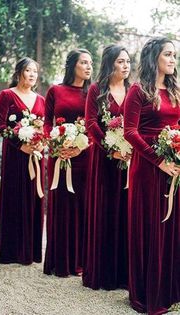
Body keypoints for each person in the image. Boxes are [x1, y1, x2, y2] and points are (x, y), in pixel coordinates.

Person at [124, 37, 180, 314]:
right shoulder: (138, 90)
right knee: (151, 225)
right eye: (168, 54)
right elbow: (129, 132)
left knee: (172, 227)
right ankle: (147, 293)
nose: (172, 59)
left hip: (174, 167)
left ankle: (170, 288)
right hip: (148, 168)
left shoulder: (174, 90)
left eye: (174, 55)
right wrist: (159, 160)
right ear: (154, 57)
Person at [82, 44, 131, 290]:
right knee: (105, 211)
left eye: (128, 61)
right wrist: (110, 148)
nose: (125, 66)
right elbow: (91, 123)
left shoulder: (134, 90)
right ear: (110, 63)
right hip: (104, 160)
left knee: (127, 212)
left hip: (131, 161)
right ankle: (102, 273)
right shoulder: (96, 90)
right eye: (121, 61)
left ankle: (124, 274)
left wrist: (129, 149)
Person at [43, 48, 93, 277]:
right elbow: (46, 123)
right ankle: (59, 261)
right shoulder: (55, 90)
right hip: (59, 156)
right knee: (61, 206)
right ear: (73, 65)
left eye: (90, 63)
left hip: (84, 158)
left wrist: (80, 146)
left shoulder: (93, 92)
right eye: (84, 62)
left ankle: (82, 262)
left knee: (83, 206)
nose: (88, 66)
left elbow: (95, 126)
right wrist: (55, 145)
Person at [0, 57, 45, 265]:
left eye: (35, 71)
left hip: (35, 155)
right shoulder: (7, 95)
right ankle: (11, 251)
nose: (32, 74)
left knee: (34, 198)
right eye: (28, 70)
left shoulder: (41, 100)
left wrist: (40, 143)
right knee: (14, 197)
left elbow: (46, 127)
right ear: (19, 73)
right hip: (15, 156)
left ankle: (31, 251)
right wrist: (20, 144)